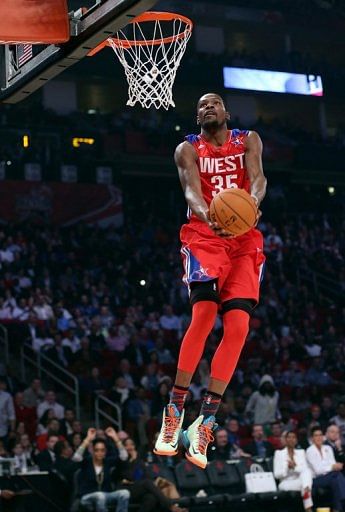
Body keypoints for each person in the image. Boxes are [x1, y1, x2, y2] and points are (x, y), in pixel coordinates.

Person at [154, 92, 266, 469]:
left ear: (226, 112)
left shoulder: (247, 139)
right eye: (200, 104)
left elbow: (258, 179)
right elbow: (190, 190)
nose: (206, 107)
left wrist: (252, 207)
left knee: (238, 327)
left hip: (245, 240)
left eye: (213, 103)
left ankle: (206, 421)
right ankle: (175, 410)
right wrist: (209, 215)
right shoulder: (187, 148)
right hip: (203, 235)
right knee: (203, 316)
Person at [75, 428, 130, 512]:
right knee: (100, 496)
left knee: (125, 493)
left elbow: (124, 456)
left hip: (106, 494)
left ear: (105, 452)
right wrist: (87, 439)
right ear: (92, 451)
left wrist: (115, 438)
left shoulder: (107, 462)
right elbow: (76, 458)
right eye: (96, 450)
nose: (99, 453)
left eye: (102, 450)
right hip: (87, 496)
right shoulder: (87, 462)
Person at [306, 426, 345, 512]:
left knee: (336, 480)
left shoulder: (328, 448)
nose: (319, 437)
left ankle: (337, 509)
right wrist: (332, 467)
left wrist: (335, 466)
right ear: (312, 438)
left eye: (320, 435)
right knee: (337, 475)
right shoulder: (310, 451)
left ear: (323, 437)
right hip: (316, 479)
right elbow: (318, 470)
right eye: (316, 435)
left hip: (331, 477)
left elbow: (333, 463)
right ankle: (341, 503)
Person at [273, 431, 313, 512]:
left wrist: (294, 467)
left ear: (296, 440)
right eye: (289, 437)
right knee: (306, 485)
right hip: (285, 483)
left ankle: (308, 505)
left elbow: (304, 470)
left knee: (307, 472)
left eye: (294, 437)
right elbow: (276, 475)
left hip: (300, 481)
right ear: (286, 439)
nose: (291, 439)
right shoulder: (279, 453)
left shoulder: (301, 452)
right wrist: (287, 468)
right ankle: (308, 507)